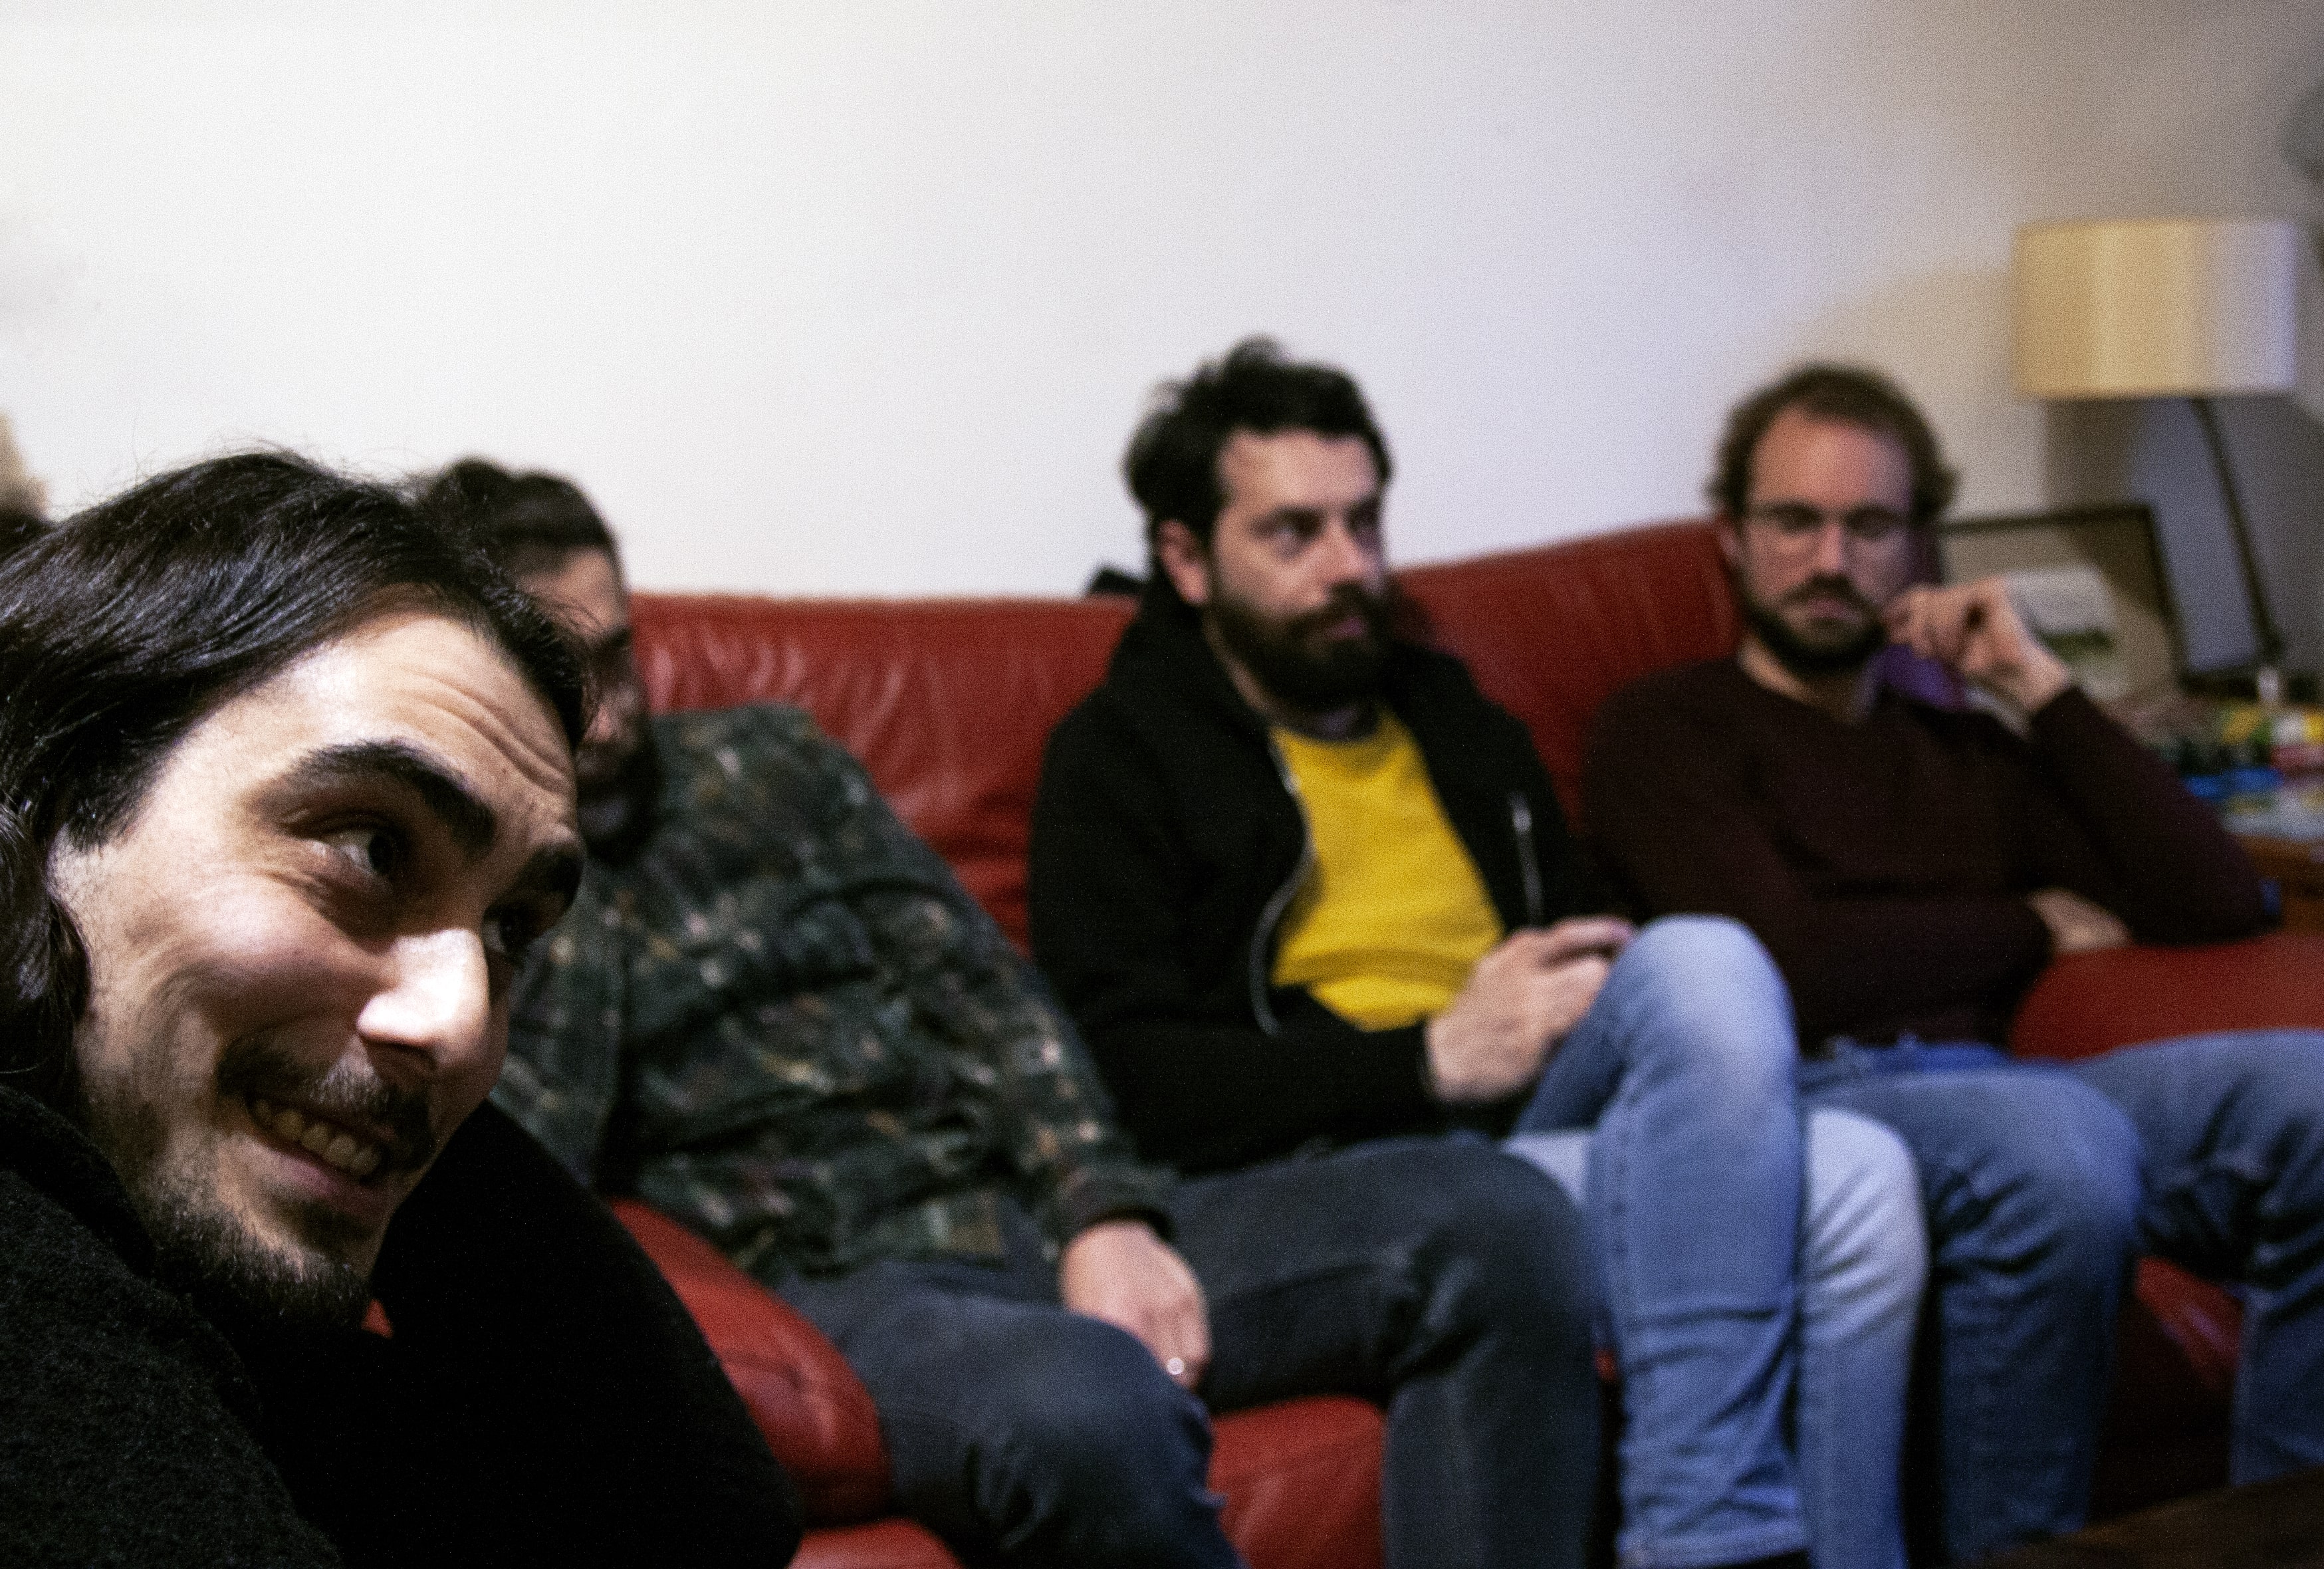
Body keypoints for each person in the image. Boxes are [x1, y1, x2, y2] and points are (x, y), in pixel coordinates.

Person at [436, 455, 1600, 1569]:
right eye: (562, 681)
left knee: (1498, 1222)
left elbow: (975, 981)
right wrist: (545, 843)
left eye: (620, 658)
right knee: (1091, 1411)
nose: (611, 717)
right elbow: (537, 1163)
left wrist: (1100, 1209)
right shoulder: (475, 890)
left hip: (1021, 1200)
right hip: (851, 1284)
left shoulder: (772, 763)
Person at [1029, 338, 1928, 1569]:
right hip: (1350, 1165)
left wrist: (1580, 998)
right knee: (1853, 1186)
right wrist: (1426, 1060)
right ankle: (1713, 1538)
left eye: (1364, 523)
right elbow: (1128, 1076)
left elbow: (1577, 926)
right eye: (1294, 535)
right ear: (1187, 561)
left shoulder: (1459, 722)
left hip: (1533, 1109)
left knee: (1713, 976)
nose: (1350, 568)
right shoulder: (1119, 756)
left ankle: (1719, 1527)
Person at [0, 454, 801, 1569]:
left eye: (509, 930)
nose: (467, 1025)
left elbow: (700, 1523)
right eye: (373, 850)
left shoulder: (220, 1325)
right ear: (48, 801)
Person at [1583, 361, 2324, 1562]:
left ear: (1921, 550)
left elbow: (2219, 900)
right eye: (1794, 521)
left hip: (2007, 1086)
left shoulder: (1964, 751)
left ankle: (2278, 1539)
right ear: (1731, 539)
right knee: (2056, 1148)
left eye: (1870, 526)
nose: (1830, 559)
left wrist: (2040, 687)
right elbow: (1780, 969)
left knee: (2314, 1099)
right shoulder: (1664, 730)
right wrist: (2023, 923)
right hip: (1812, 1108)